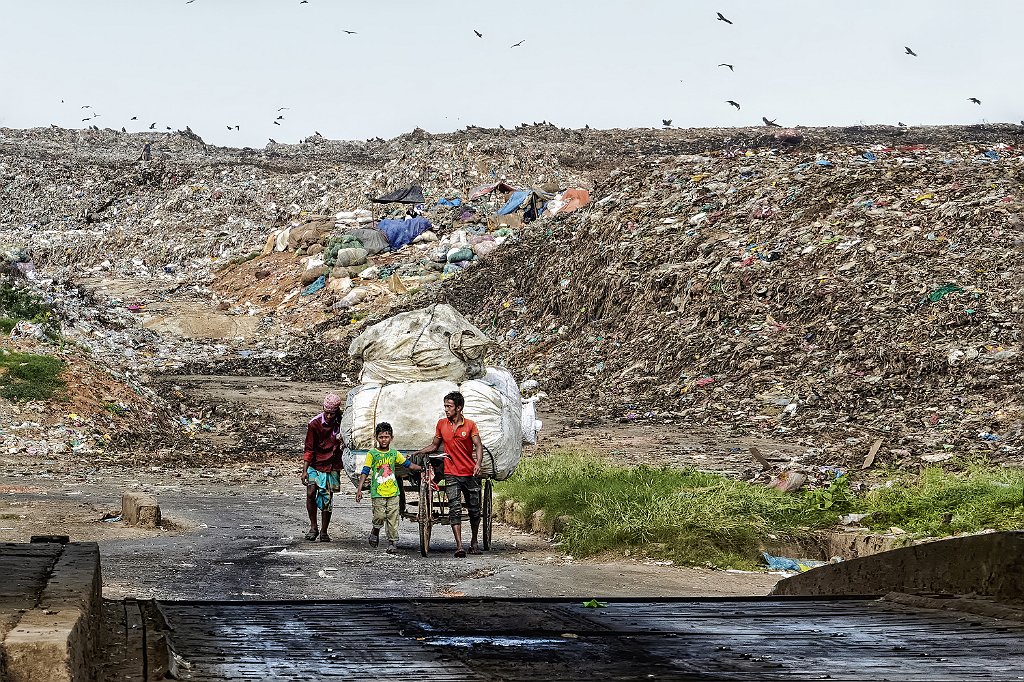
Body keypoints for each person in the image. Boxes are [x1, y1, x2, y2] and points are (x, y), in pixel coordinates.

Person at [411, 391, 484, 558]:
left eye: (449, 406)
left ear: (459, 408)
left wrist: (478, 464)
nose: (446, 409)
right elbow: (434, 445)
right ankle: (459, 546)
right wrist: (419, 452)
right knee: (454, 508)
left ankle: (474, 541)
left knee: (474, 509)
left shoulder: (470, 425)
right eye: (445, 406)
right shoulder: (442, 424)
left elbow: (478, 445)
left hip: (470, 472)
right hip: (451, 472)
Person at [354, 422, 424, 553]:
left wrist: (422, 468)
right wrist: (359, 489)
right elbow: (365, 471)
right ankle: (375, 530)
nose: (384, 440)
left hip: (393, 492)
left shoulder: (394, 454)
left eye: (386, 437)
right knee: (379, 516)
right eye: (381, 437)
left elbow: (408, 465)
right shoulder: (372, 454)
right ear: (376, 437)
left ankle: (392, 543)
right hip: (378, 492)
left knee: (393, 518)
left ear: (391, 438)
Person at [301, 393, 345, 542]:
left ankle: (324, 531)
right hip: (315, 463)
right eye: (326, 413)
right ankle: (313, 527)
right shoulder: (314, 424)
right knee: (310, 492)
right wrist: (304, 470)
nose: (329, 416)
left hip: (332, 464)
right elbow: (309, 448)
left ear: (336, 412)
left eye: (332, 413)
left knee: (327, 497)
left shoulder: (342, 423)